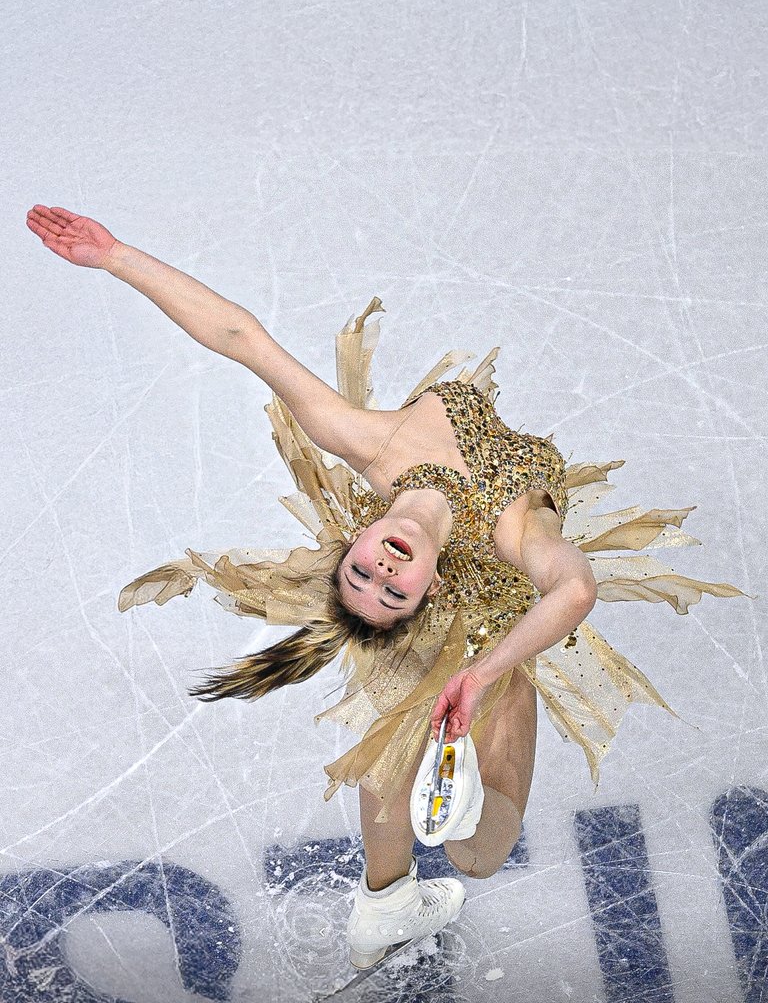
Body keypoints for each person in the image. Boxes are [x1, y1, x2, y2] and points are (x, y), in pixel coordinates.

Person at [26, 204, 751, 970]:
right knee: (466, 835)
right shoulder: (510, 530)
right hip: (497, 639)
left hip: (489, 636)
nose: (385, 568)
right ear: (429, 589)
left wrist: (115, 256)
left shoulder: (367, 446)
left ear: (353, 541)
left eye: (363, 572)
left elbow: (242, 340)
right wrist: (483, 671)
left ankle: (385, 900)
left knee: (456, 830)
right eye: (392, 589)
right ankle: (393, 890)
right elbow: (571, 592)